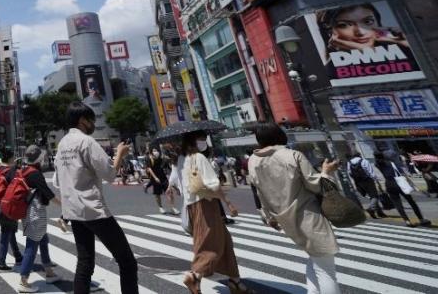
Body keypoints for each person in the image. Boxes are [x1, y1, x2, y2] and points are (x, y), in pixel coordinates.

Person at [54, 103, 138, 294]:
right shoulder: (87, 142)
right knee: (127, 262)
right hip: (92, 209)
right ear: (83, 120)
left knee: (85, 263)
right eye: (92, 120)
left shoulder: (62, 144)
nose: (93, 123)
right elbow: (109, 173)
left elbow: (58, 180)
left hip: (73, 211)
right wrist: (120, 154)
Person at [248, 123, 341, 294]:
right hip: (308, 216)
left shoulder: (253, 161)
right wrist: (327, 171)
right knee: (326, 269)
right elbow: (316, 185)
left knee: (316, 261)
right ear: (279, 135)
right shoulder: (292, 155)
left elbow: (259, 193)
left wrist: (269, 217)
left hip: (284, 219)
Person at [174, 131, 249, 294]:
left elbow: (178, 185)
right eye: (200, 139)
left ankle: (235, 282)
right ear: (192, 141)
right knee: (210, 245)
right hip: (205, 205)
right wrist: (228, 203)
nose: (204, 142)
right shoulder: (199, 158)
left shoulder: (180, 160)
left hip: (191, 206)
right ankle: (195, 275)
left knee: (225, 241)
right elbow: (213, 185)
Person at [17, 145, 61, 293]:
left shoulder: (25, 170)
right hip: (35, 213)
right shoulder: (35, 173)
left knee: (43, 239)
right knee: (32, 245)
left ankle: (48, 271)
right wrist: (65, 205)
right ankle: (23, 280)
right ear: (39, 158)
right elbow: (47, 193)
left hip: (29, 212)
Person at [374, 152, 431, 227]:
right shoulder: (392, 163)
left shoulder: (377, 164)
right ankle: (421, 219)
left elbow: (378, 161)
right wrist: (412, 185)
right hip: (399, 183)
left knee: (397, 203)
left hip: (389, 183)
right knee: (411, 201)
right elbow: (402, 174)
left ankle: (407, 221)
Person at [0, 148, 24, 271]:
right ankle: (1, 262)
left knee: (9, 231)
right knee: (6, 233)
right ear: (11, 158)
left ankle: (18, 256)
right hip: (8, 206)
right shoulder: (12, 171)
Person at [347, 152, 385, 218]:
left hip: (358, 182)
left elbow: (350, 173)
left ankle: (379, 212)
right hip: (368, 180)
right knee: (375, 196)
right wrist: (376, 180)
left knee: (371, 197)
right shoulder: (364, 161)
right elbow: (371, 172)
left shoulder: (349, 163)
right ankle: (371, 209)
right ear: (359, 155)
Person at [145, 147, 177, 215]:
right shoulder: (149, 159)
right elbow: (149, 169)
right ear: (151, 152)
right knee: (157, 194)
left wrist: (168, 158)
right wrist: (155, 178)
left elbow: (167, 162)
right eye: (154, 150)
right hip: (155, 178)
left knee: (169, 191)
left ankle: (173, 208)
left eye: (156, 150)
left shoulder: (161, 158)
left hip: (163, 177)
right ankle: (160, 207)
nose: (156, 152)